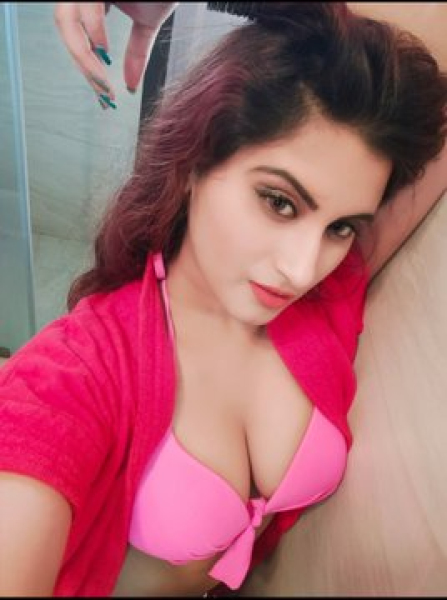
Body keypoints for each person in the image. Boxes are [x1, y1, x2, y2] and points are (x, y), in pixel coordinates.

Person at [1, 2, 447, 597]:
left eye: (340, 227)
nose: (302, 268)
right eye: (280, 202)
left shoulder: (328, 289)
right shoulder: (80, 370)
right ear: (194, 161)